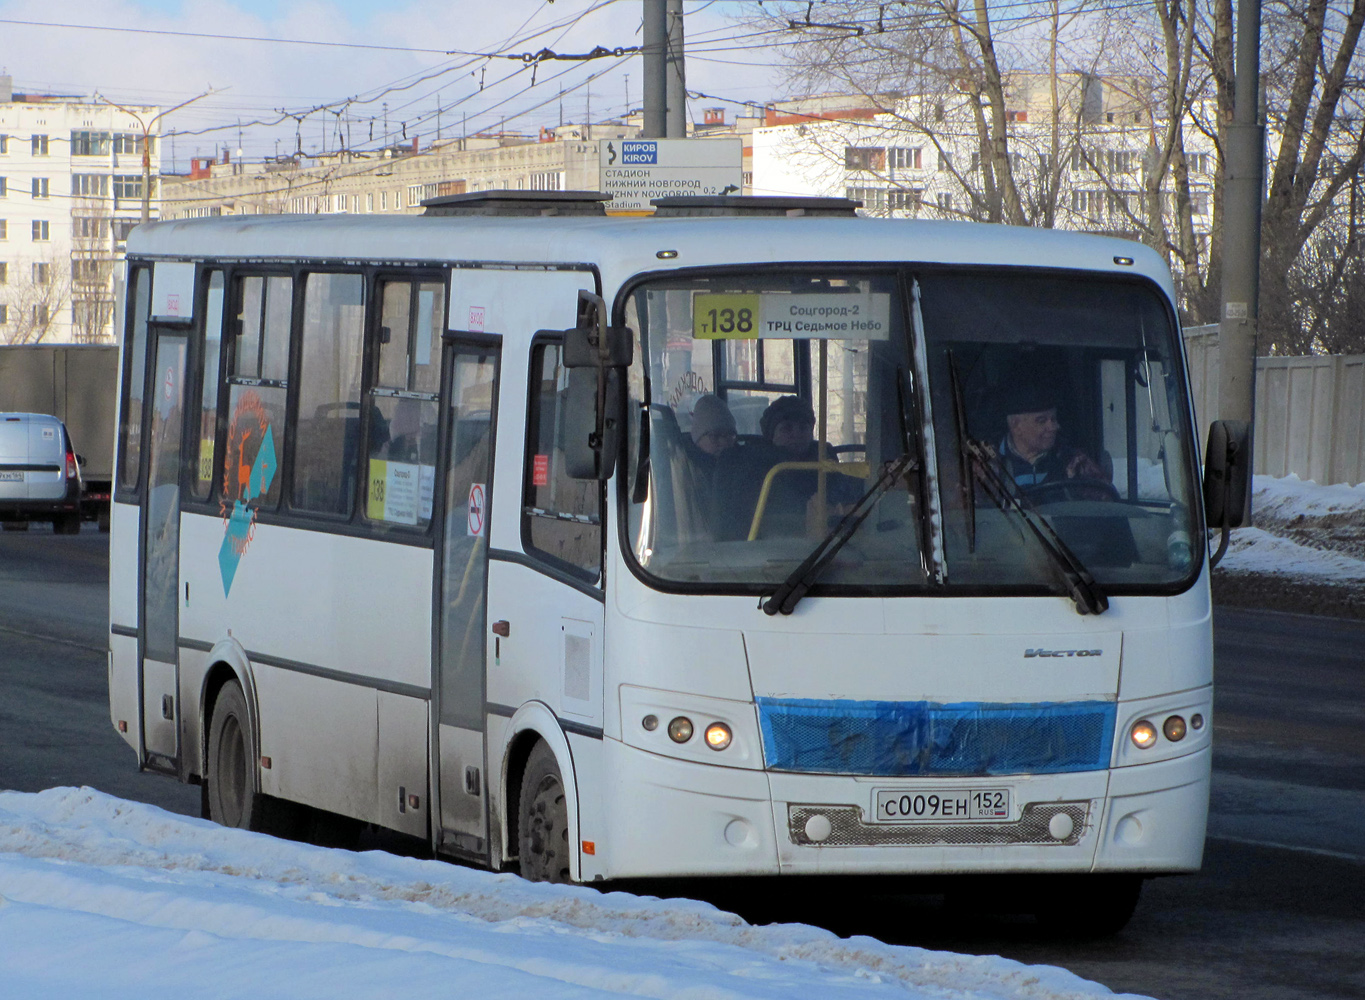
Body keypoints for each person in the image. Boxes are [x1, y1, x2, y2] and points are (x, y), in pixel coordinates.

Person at [997, 382, 1105, 490]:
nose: (1054, 427)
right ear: (1016, 426)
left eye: (1053, 419)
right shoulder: (990, 463)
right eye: (1041, 421)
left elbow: (1105, 500)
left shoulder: (1074, 461)